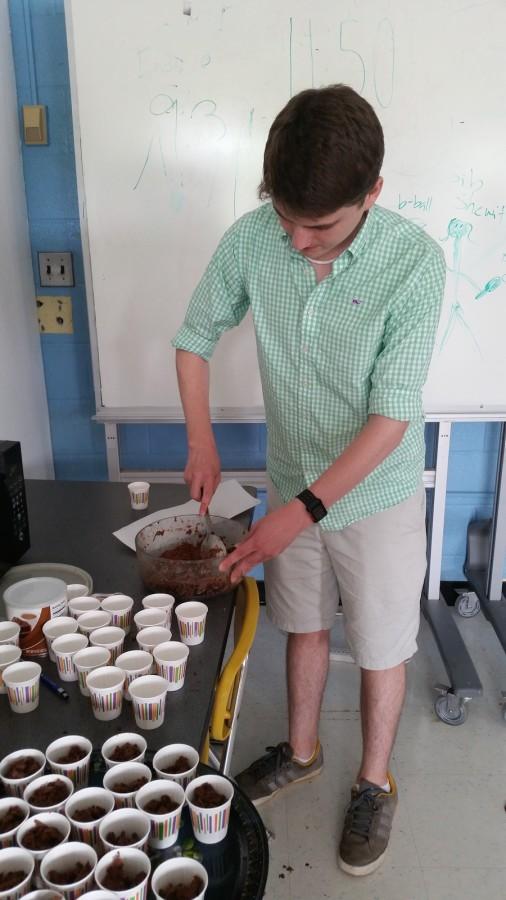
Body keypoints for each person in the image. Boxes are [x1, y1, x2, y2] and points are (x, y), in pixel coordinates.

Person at [172, 84, 446, 877]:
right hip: (288, 478)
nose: (294, 239)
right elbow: (194, 338)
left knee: (384, 642)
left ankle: (372, 780)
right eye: (284, 214)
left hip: (377, 492)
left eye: (317, 225)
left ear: (372, 195)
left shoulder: (413, 264)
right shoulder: (256, 238)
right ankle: (301, 751)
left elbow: (391, 417)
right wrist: (201, 438)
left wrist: (304, 510)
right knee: (302, 622)